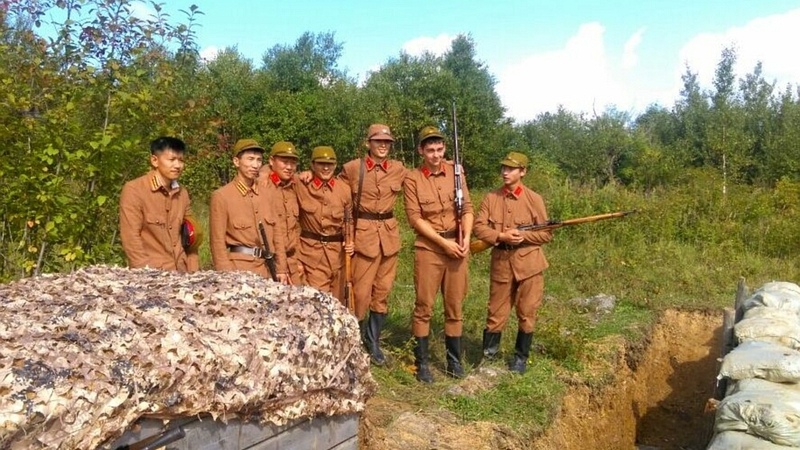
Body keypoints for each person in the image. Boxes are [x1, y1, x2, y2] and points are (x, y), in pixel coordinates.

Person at [403, 125, 473, 383]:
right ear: (421, 151)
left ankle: (453, 362)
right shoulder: (413, 179)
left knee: (454, 306)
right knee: (424, 307)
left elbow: (467, 208)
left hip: (457, 246)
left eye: (440, 149)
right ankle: (422, 364)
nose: (436, 155)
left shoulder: (456, 172)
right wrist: (444, 244)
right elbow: (415, 219)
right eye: (430, 150)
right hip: (430, 248)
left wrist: (465, 237)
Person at [473, 151, 553, 374]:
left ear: (523, 172)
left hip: (530, 265)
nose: (505, 172)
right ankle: (489, 357)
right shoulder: (491, 198)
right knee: (495, 312)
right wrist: (501, 237)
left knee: (527, 312)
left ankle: (520, 358)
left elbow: (546, 234)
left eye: (511, 168)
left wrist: (523, 236)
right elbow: (479, 227)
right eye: (503, 168)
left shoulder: (533, 199)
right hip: (501, 262)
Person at [339, 124, 407, 365]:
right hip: (363, 236)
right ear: (368, 143)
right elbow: (335, 192)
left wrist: (455, 169)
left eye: (387, 142)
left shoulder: (398, 169)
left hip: (389, 238)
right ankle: (352, 341)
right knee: (359, 293)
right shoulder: (352, 168)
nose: (382, 145)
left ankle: (373, 340)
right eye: (378, 141)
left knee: (383, 291)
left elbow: (422, 179)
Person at [209, 139, 288, 282]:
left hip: (268, 270)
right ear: (236, 162)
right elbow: (217, 242)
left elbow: (277, 234)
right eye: (250, 159)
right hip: (239, 271)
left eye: (258, 160)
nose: (255, 165)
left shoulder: (268, 194)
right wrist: (226, 275)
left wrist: (281, 268)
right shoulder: (222, 196)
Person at [119, 136, 199, 272]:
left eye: (181, 160)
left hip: (182, 273)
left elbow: (191, 237)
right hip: (152, 275)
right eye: (172, 160)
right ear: (155, 160)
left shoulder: (182, 193)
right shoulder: (135, 190)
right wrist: (146, 276)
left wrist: (194, 272)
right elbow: (131, 239)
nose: (178, 165)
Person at [295, 146, 353, 300]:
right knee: (317, 303)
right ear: (313, 165)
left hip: (338, 257)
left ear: (335, 165)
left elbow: (349, 220)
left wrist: (351, 240)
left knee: (338, 303)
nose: (326, 167)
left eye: (330, 164)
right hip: (312, 255)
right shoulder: (301, 185)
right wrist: (304, 173)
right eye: (321, 164)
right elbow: (269, 171)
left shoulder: (344, 189)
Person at [258, 141, 304, 285]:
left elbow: (296, 228)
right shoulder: (261, 185)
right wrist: (264, 171)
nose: (289, 167)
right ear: (272, 161)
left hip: (293, 262)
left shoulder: (295, 185)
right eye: (284, 162)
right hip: (270, 263)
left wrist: (299, 260)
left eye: (293, 163)